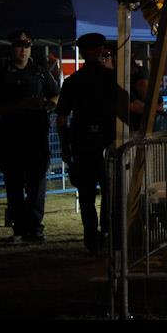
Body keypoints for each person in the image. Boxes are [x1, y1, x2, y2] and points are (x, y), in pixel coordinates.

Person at [55, 33, 127, 256]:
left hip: (82, 145)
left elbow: (61, 119)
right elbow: (126, 110)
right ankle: (105, 231)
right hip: (108, 144)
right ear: (100, 51)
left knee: (86, 195)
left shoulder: (72, 82)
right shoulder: (112, 79)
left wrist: (65, 146)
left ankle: (91, 235)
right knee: (109, 192)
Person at [0, 30, 60, 243]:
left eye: (27, 46)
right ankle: (18, 228)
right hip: (11, 138)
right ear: (12, 47)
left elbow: (55, 94)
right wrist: (21, 105)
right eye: (19, 45)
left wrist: (49, 105)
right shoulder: (3, 74)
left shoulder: (40, 72)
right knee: (14, 185)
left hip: (36, 138)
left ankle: (34, 228)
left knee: (37, 185)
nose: (23, 50)